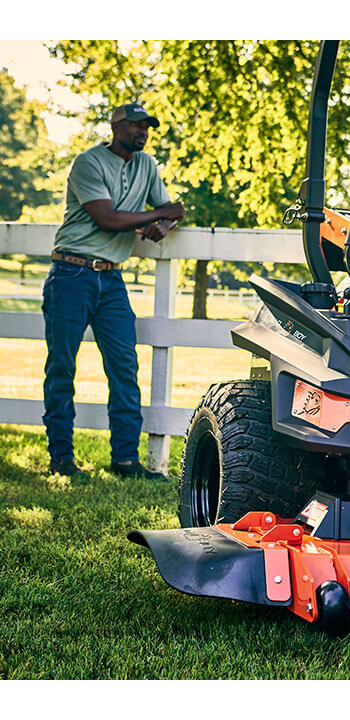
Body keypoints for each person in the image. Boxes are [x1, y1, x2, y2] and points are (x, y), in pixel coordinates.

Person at [43, 102, 185, 479]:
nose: (142, 132)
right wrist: (160, 215)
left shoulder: (147, 165)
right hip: (71, 273)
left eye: (147, 126)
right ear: (115, 126)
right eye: (135, 125)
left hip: (112, 280)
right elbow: (107, 219)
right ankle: (61, 458)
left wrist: (165, 225)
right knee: (62, 366)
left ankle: (125, 460)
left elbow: (172, 211)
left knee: (124, 366)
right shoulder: (88, 163)